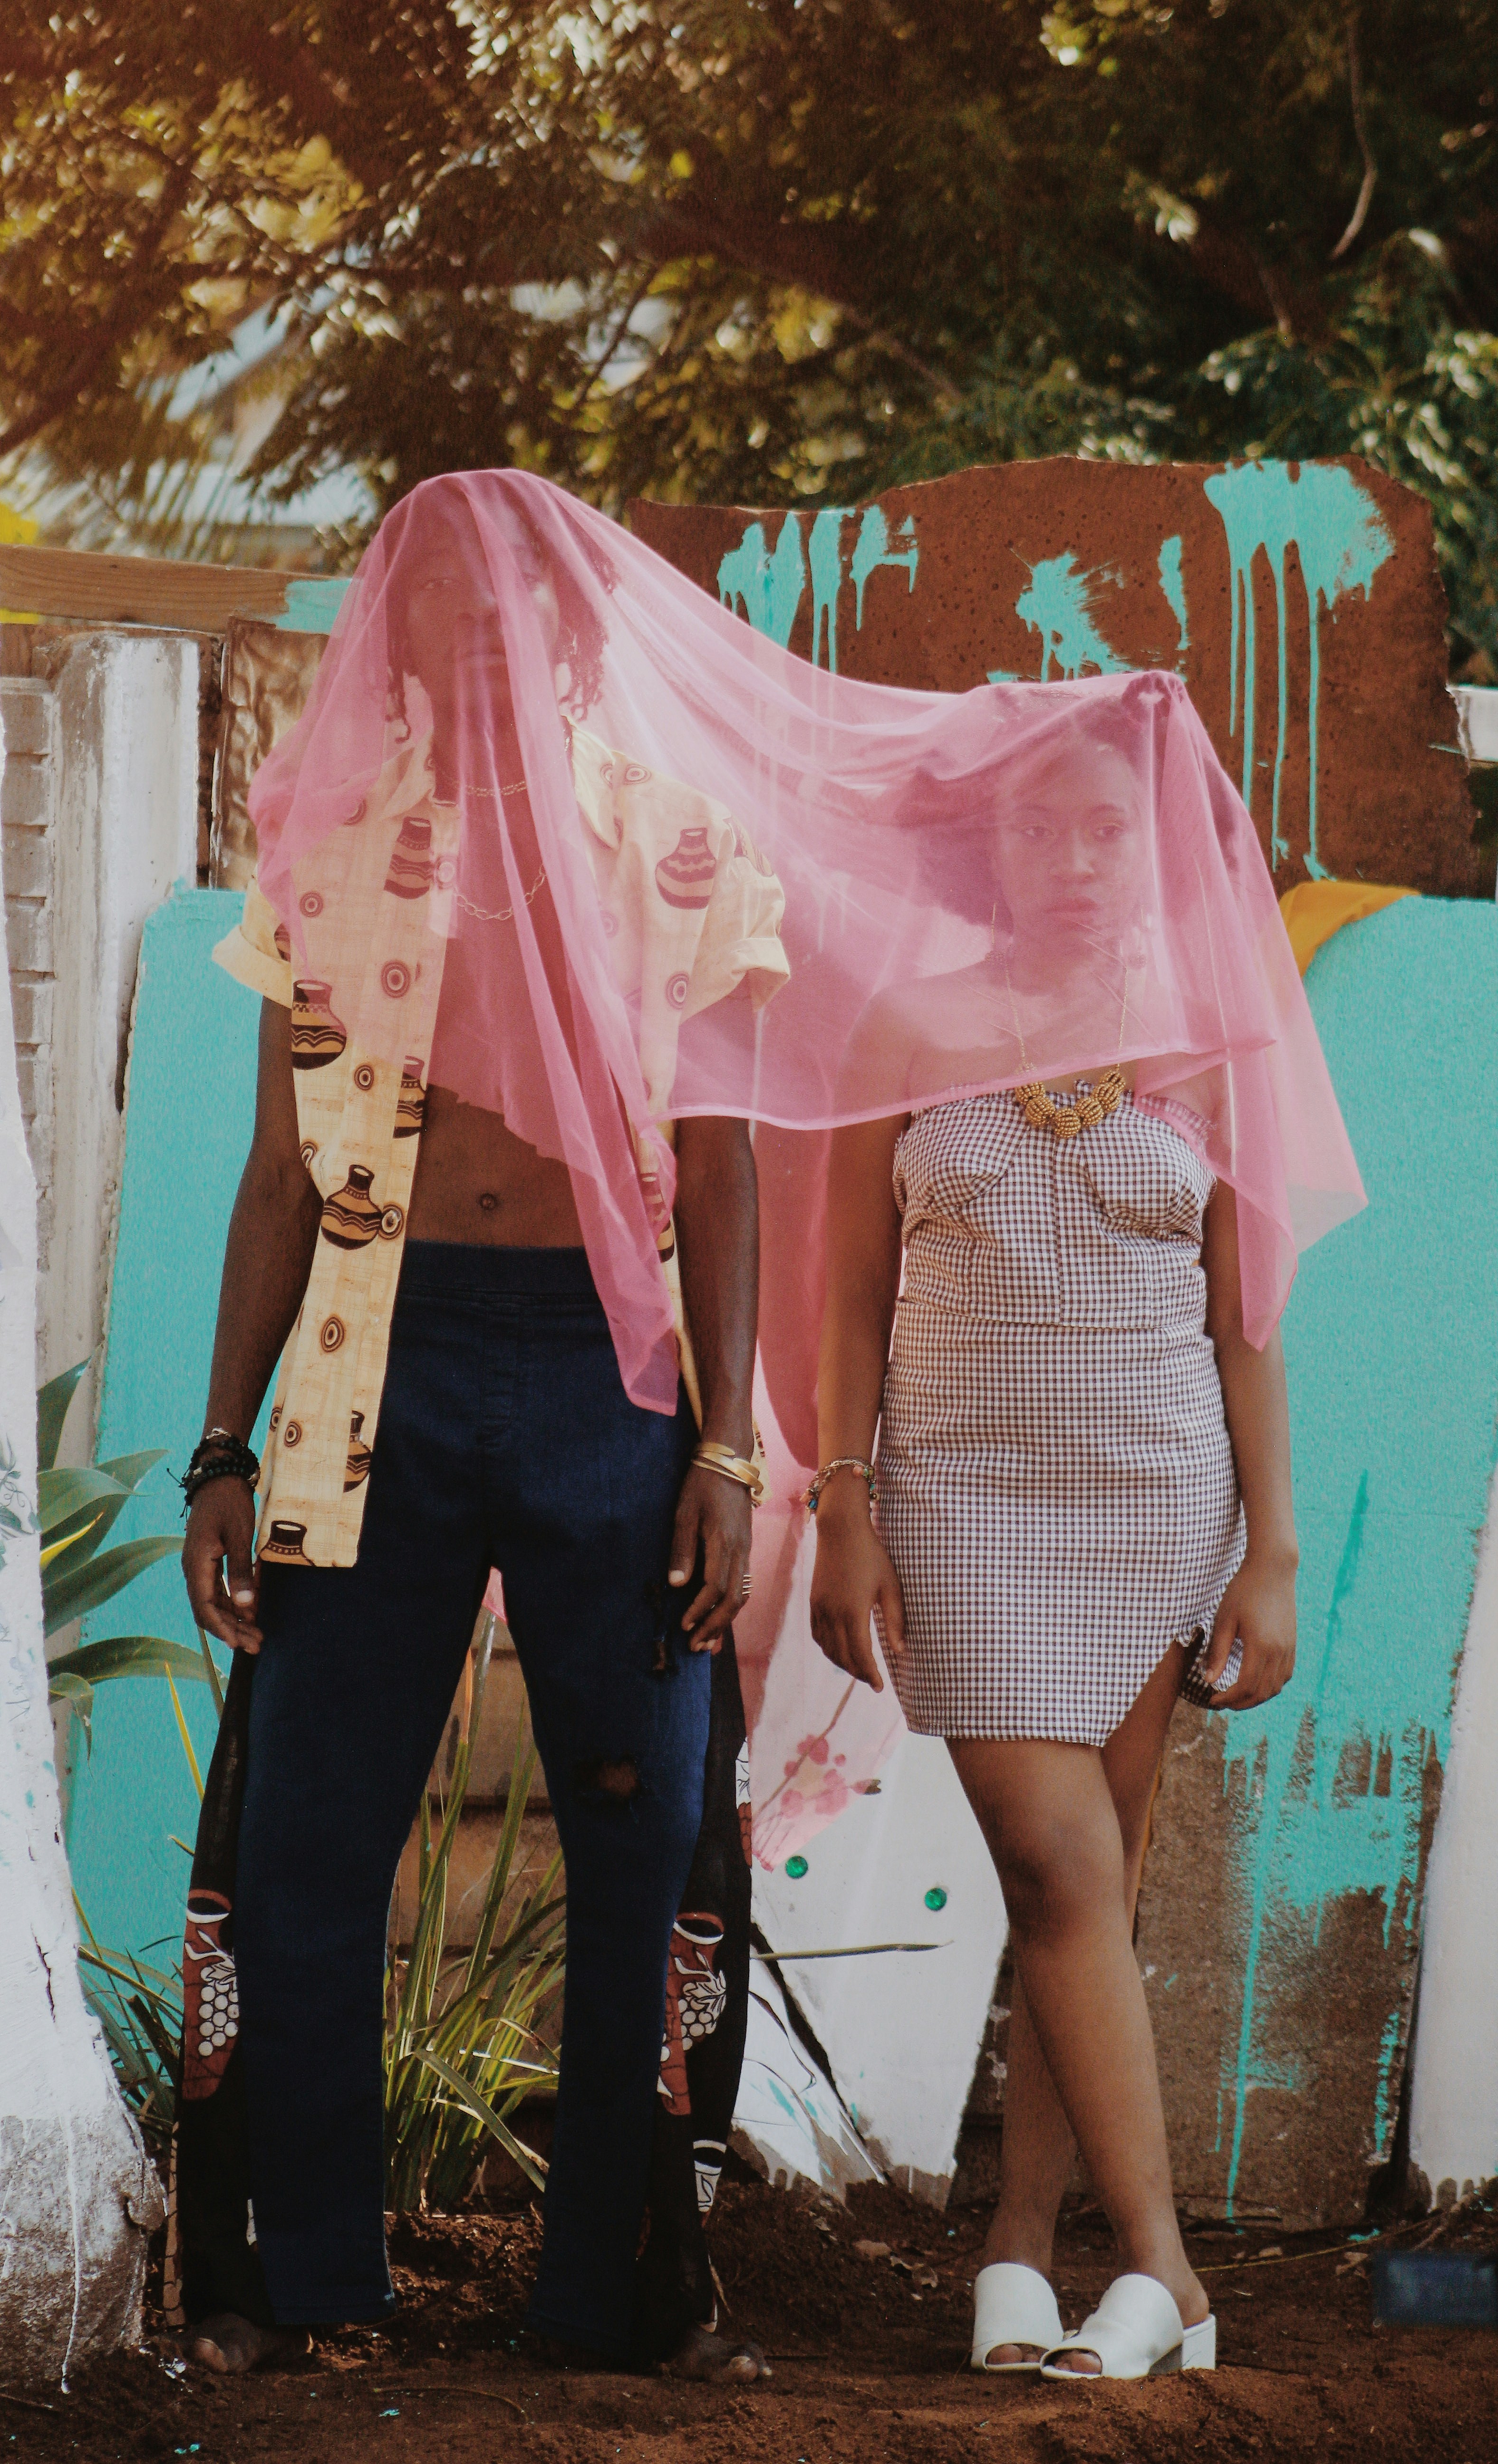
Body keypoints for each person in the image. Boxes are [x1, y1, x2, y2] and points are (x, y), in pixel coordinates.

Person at [174, 475, 787, 2378]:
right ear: (405, 640)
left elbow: (729, 1163)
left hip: (613, 1379)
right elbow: (280, 1177)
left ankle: (604, 2301)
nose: (474, 641)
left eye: (507, 609)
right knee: (308, 1838)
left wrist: (732, 1451)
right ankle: (318, 2284)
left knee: (646, 1837)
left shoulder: (681, 844)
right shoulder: (332, 848)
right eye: (433, 614)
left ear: (576, 628)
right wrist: (217, 1445)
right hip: (377, 1368)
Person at [805, 722, 1337, 2381]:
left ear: (1158, 844)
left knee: (1079, 1894)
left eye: (1109, 829)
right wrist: (842, 1494)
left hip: (1160, 1496)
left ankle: (1021, 2252)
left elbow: (1248, 1324)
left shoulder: (1215, 1037)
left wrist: (1276, 1553)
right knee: (1056, 1868)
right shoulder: (905, 1023)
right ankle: (1169, 2275)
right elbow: (849, 1292)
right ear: (992, 852)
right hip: (960, 1502)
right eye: (1042, 831)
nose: (1078, 860)